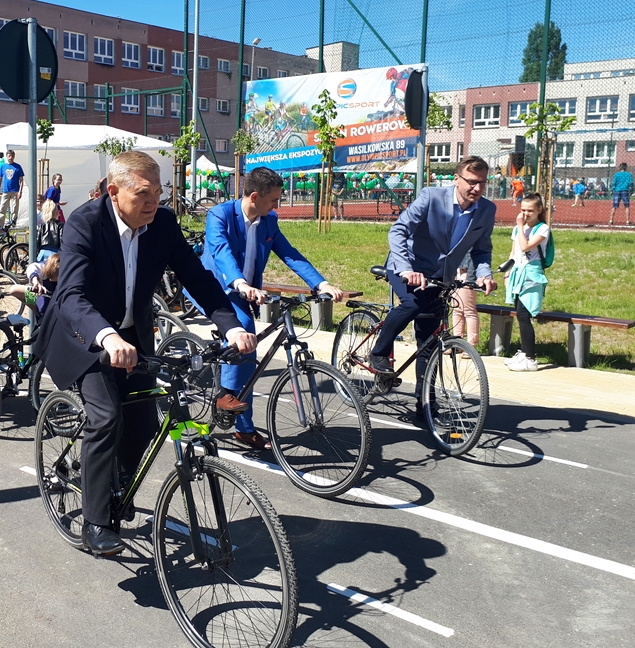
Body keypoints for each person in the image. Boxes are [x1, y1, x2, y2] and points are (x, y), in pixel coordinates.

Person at [33, 151, 255, 557]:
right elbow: (71, 295)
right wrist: (106, 337)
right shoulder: (86, 223)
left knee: (144, 425)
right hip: (86, 334)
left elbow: (199, 279)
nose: (154, 202)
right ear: (114, 192)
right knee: (106, 416)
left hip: (134, 337)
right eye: (143, 194)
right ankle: (94, 523)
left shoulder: (163, 224)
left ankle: (115, 478)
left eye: (159, 192)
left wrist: (232, 325)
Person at [199, 167, 345, 450]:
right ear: (255, 196)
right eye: (274, 200)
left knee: (250, 357)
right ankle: (226, 393)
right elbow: (221, 253)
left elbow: (290, 253)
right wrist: (241, 284)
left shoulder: (268, 220)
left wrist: (321, 284)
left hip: (246, 290)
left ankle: (243, 428)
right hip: (216, 287)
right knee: (243, 329)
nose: (277, 206)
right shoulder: (220, 215)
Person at [369, 155, 497, 418]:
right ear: (457, 179)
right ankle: (379, 352)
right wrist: (407, 269)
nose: (477, 189)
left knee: (429, 340)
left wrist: (484, 274)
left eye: (483, 183)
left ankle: (425, 401)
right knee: (412, 304)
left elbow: (482, 249)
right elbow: (398, 231)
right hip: (407, 267)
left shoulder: (486, 210)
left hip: (441, 276)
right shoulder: (431, 197)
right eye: (472, 182)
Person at [503, 193, 550, 372]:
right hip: (517, 272)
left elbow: (525, 246)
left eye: (530, 210)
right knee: (519, 314)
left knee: (525, 314)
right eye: (523, 210)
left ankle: (530, 358)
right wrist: (507, 273)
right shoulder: (518, 229)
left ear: (539, 210)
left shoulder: (542, 228)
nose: (526, 214)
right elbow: (514, 253)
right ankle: (523, 353)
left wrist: (521, 227)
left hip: (532, 274)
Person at [452, 251, 479, 347]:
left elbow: (476, 256)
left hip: (467, 274)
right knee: (456, 310)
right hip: (457, 273)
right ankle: (457, 343)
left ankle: (471, 345)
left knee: (468, 311)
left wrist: (470, 279)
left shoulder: (472, 236)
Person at [0, 150, 25, 226]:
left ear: (14, 156)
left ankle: (13, 224)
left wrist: (20, 191)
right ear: (6, 156)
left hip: (15, 191)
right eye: (9, 156)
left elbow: (21, 180)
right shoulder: (3, 166)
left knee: (14, 208)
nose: (10, 157)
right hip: (5, 191)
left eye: (12, 156)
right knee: (2, 208)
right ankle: (0, 226)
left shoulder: (18, 167)